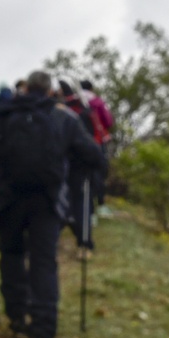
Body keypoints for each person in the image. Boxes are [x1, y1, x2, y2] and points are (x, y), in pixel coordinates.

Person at [0, 70, 103, 338]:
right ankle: (43, 333)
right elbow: (93, 155)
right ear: (50, 92)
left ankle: (17, 317)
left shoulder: (5, 115)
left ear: (25, 89)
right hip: (46, 201)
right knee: (43, 263)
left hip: (8, 200)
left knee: (11, 256)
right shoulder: (62, 118)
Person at [57, 80, 105, 250]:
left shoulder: (67, 114)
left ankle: (82, 241)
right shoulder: (81, 111)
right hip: (80, 164)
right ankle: (84, 243)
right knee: (80, 203)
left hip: (67, 164)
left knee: (70, 202)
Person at [79, 78, 115, 205]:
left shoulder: (74, 101)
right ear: (91, 88)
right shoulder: (98, 102)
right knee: (99, 170)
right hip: (97, 140)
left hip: (78, 141)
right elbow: (108, 121)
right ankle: (99, 200)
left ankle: (82, 201)